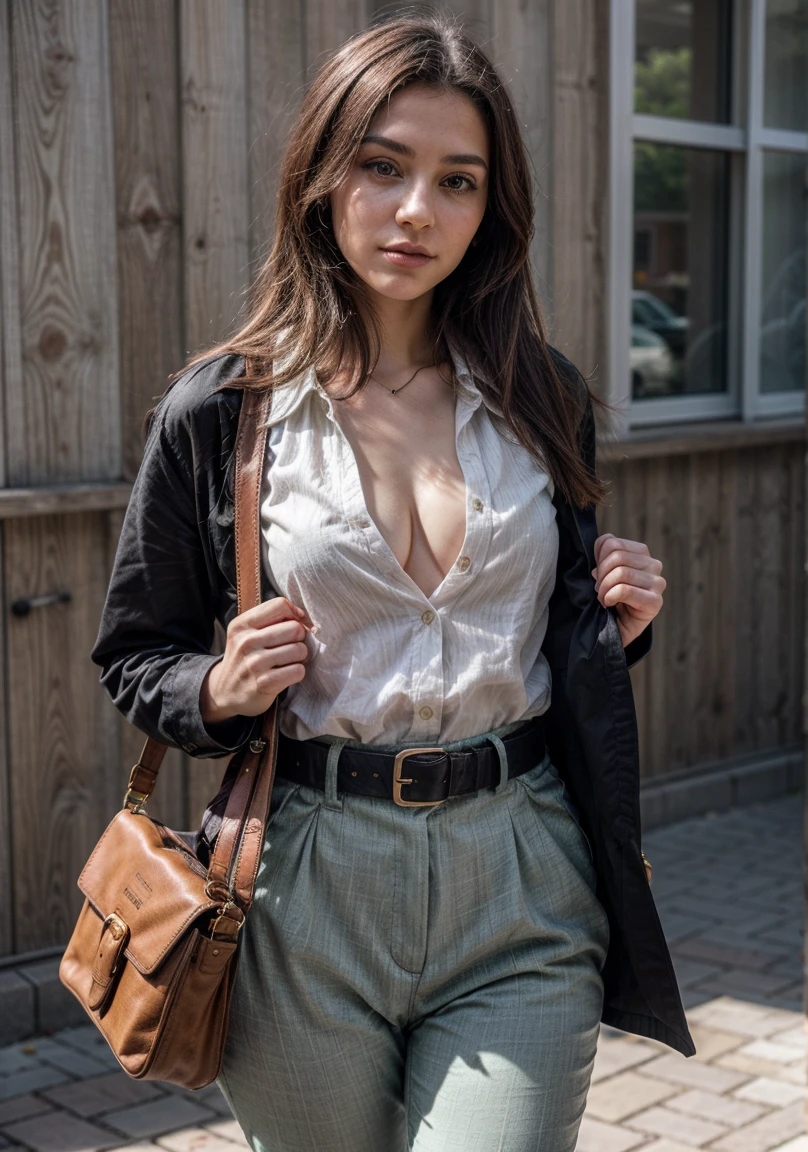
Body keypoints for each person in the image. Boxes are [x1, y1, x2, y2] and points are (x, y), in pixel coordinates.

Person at [92, 12, 694, 1151]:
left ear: (489, 208)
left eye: (456, 181)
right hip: (304, 881)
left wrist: (618, 622)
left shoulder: (541, 398)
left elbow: (550, 634)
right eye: (383, 166)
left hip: (521, 873)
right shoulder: (221, 412)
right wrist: (216, 690)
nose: (418, 209)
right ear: (322, 179)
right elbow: (135, 655)